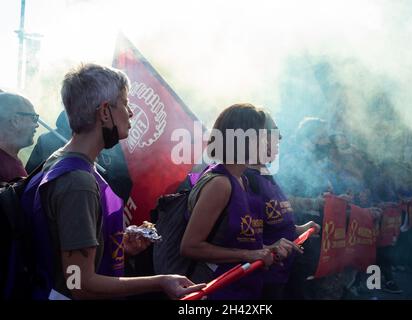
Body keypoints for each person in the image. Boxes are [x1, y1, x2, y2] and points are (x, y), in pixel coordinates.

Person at [22, 64, 204, 300]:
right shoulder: (78, 182)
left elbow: (64, 246)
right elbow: (79, 283)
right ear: (105, 112)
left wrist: (116, 244)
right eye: (125, 103)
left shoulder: (62, 161)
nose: (131, 113)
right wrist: (161, 282)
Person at [180, 103, 296, 300]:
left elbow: (244, 240)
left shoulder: (243, 179)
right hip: (216, 292)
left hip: (243, 291)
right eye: (266, 135)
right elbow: (190, 246)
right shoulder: (220, 183)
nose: (274, 141)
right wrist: (249, 255)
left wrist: (267, 249)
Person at [244, 111, 320, 299]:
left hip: (280, 275)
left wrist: (299, 229)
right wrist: (267, 248)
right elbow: (239, 235)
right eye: (274, 132)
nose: (281, 137)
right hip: (260, 280)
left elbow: (272, 221)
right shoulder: (244, 179)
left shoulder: (266, 173)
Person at [25, 110, 133, 202]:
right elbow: (30, 181)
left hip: (98, 212)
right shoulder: (46, 140)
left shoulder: (111, 142)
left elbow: (124, 183)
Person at [0, 92, 39, 182]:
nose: (36, 125)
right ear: (15, 121)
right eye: (33, 118)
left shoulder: (10, 161)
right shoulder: (7, 172)